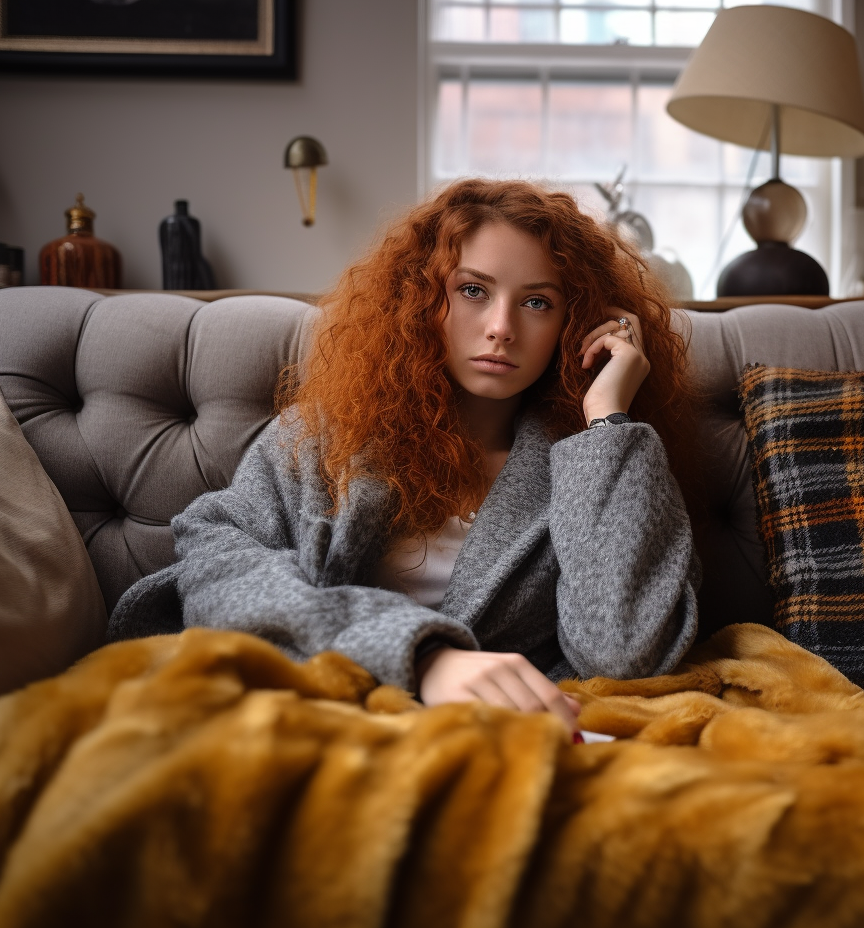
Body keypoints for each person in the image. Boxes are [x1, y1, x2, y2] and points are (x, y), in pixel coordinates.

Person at [111, 178, 702, 732]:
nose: (501, 327)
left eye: (538, 303)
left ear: (576, 322)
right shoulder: (329, 435)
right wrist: (423, 656)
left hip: (504, 741)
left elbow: (625, 653)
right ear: (420, 302)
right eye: (472, 291)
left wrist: (606, 420)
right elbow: (216, 563)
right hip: (330, 715)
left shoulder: (596, 461)